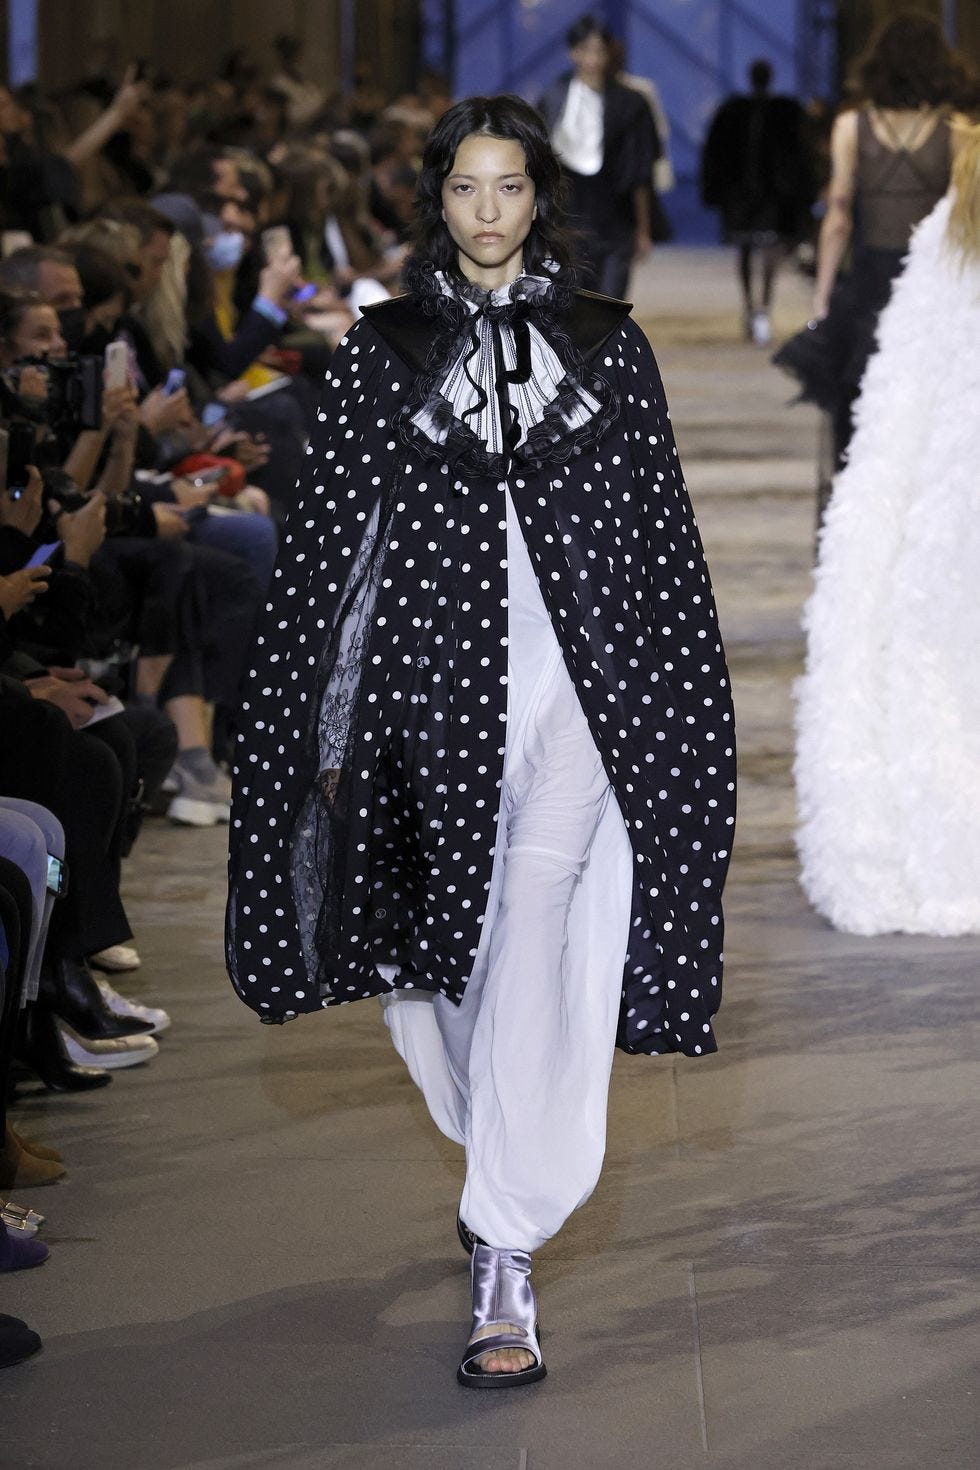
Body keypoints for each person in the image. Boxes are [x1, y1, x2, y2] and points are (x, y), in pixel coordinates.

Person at [227, 94, 734, 1388]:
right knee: (454, 953)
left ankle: (505, 1253)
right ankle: (496, 1163)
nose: (491, 210)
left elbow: (659, 542)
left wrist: (672, 710)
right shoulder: (379, 351)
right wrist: (323, 730)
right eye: (468, 189)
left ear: (537, 198)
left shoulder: (610, 348)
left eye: (511, 187)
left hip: (577, 686)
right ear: (437, 201)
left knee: (530, 917)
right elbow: (325, 560)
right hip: (431, 693)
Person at [795, 120, 980, 937]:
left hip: (948, 489)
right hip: (949, 484)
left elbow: (899, 392)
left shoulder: (954, 225)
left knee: (934, 659)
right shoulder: (953, 199)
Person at [775, 12, 974, 471]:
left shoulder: (852, 127)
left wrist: (824, 294)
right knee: (927, 398)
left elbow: (839, 215)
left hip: (868, 280)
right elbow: (964, 218)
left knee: (858, 395)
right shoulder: (957, 132)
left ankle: (857, 495)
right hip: (933, 281)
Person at [536, 14, 658, 298]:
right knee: (576, 303)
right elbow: (538, 163)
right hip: (569, 219)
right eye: (585, 49)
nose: (592, 58)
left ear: (608, 53)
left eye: (599, 50)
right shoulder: (553, 98)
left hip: (615, 218)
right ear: (573, 53)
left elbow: (640, 170)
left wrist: (643, 229)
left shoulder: (630, 104)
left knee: (611, 301)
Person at [701, 58, 816, 344]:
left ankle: (755, 306)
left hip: (752, 194)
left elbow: (715, 154)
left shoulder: (734, 111)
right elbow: (802, 155)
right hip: (762, 194)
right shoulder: (785, 111)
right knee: (765, 250)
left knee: (752, 249)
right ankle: (759, 306)